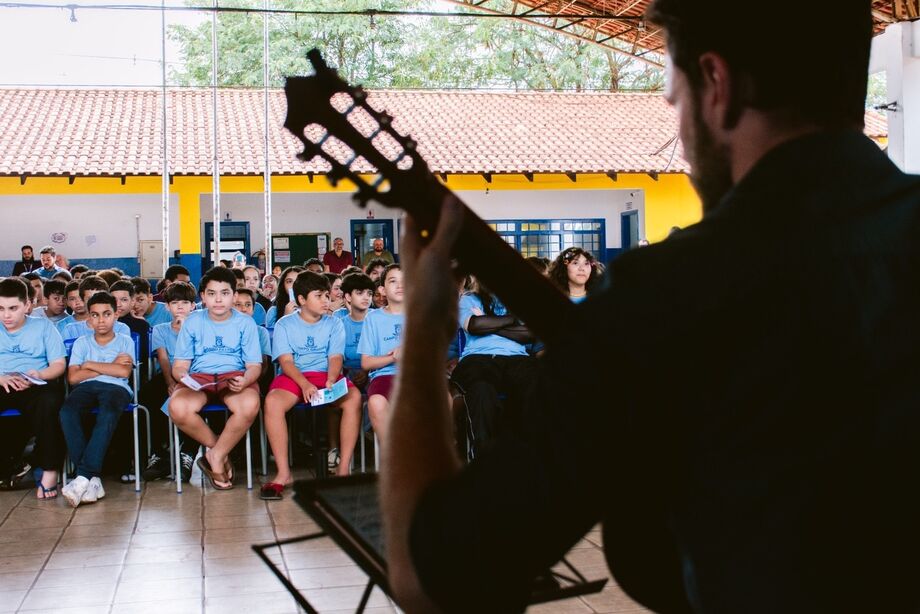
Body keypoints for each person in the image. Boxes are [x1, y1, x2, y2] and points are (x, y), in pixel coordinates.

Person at [379, 3, 920, 613]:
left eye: (675, 94)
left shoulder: (664, 294)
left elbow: (432, 582)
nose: (679, 125)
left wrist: (424, 332)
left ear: (717, 85)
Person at [260, 271, 362, 500]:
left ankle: (343, 469)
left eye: (327, 295)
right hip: (295, 376)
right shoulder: (285, 324)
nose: (326, 301)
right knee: (273, 403)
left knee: (354, 398)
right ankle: (284, 473)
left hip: (326, 375)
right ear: (302, 300)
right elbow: (286, 361)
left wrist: (330, 379)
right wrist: (305, 384)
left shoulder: (334, 323)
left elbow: (335, 357)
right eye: (319, 296)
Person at [169, 267, 262, 490]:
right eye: (211, 293)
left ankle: (217, 455)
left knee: (250, 404)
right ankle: (218, 452)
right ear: (202, 296)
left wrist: (247, 380)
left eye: (224, 293)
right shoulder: (192, 322)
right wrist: (183, 377)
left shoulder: (245, 323)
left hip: (233, 376)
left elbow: (254, 366)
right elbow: (180, 366)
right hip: (199, 378)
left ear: (235, 295)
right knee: (178, 407)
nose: (218, 299)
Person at [59, 292, 135, 507]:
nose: (101, 320)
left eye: (106, 314)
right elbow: (74, 378)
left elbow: (123, 374)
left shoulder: (125, 340)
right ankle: (91, 480)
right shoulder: (82, 343)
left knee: (107, 413)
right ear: (88, 319)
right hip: (86, 388)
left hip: (116, 389)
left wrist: (89, 365)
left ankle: (83, 476)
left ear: (116, 315)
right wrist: (110, 365)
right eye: (95, 315)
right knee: (67, 412)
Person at [451, 278, 538, 449]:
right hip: (478, 357)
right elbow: (475, 326)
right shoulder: (468, 299)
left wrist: (488, 322)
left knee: (535, 385)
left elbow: (529, 334)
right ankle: (484, 460)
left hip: (517, 358)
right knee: (481, 390)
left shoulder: (518, 302)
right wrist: (513, 320)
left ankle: (528, 455)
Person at [0, 278, 66, 499]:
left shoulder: (43, 326)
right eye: (0, 308)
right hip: (2, 383)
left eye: (13, 308)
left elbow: (58, 364)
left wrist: (39, 374)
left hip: (35, 384)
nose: (6, 315)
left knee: (50, 403)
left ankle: (49, 472)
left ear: (27, 305)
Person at [143, 281, 198, 483]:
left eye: (185, 302)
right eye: (175, 303)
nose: (180, 307)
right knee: (148, 396)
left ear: (193, 305)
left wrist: (186, 331)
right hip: (169, 375)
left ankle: (187, 455)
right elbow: (163, 359)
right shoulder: (160, 329)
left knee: (192, 400)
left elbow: (198, 358)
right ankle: (160, 454)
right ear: (167, 307)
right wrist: (169, 382)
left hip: (194, 375)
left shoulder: (199, 326)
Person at [357, 264, 404, 446]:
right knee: (376, 401)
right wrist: (394, 357)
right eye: (393, 281)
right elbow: (366, 363)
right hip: (385, 376)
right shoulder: (373, 318)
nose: (400, 285)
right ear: (382, 289)